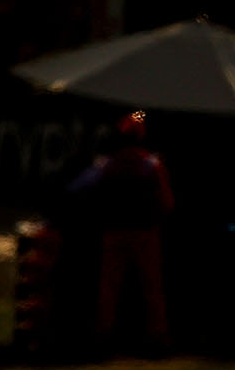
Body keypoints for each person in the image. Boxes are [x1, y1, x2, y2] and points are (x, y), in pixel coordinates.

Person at [72, 110, 175, 354]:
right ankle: (157, 337)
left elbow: (83, 191)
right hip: (145, 233)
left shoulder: (108, 165)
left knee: (109, 289)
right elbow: (166, 201)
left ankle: (103, 336)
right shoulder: (152, 164)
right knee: (152, 288)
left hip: (114, 233)